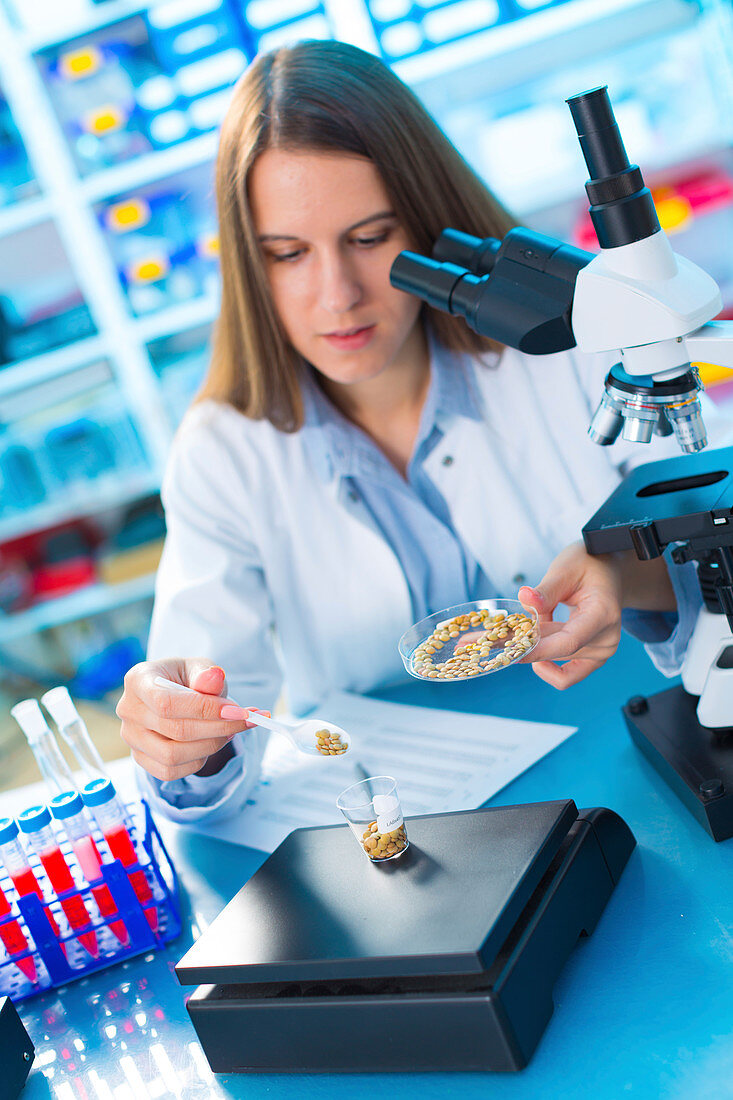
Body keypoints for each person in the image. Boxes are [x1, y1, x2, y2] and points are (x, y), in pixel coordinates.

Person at [117, 39, 717, 823]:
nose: (337, 295)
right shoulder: (224, 451)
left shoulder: (561, 347)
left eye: (369, 238)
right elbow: (215, 715)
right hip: (405, 816)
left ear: (431, 223)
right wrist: (182, 736)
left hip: (632, 768)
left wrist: (625, 576)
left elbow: (707, 513)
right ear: (246, 267)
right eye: (287, 253)